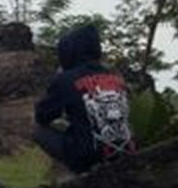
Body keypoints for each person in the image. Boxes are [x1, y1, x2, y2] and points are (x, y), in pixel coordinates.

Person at [34, 24, 135, 173]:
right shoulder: (116, 78)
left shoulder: (66, 79)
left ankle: (80, 173)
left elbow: (42, 115)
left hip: (88, 156)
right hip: (126, 150)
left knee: (39, 131)